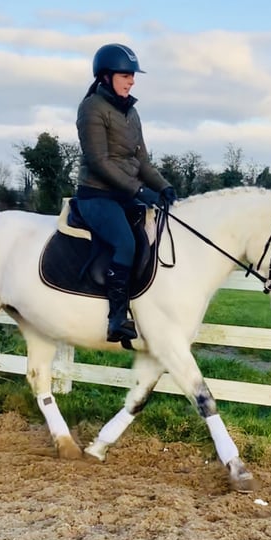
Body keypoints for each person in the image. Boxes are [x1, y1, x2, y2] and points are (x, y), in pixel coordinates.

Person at [74, 43, 177, 343]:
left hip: (125, 194)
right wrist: (140, 191)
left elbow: (142, 161)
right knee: (125, 244)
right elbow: (99, 162)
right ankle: (116, 319)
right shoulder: (91, 108)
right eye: (126, 75)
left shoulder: (131, 112)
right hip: (97, 195)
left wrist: (163, 186)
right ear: (106, 76)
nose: (132, 80)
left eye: (133, 75)